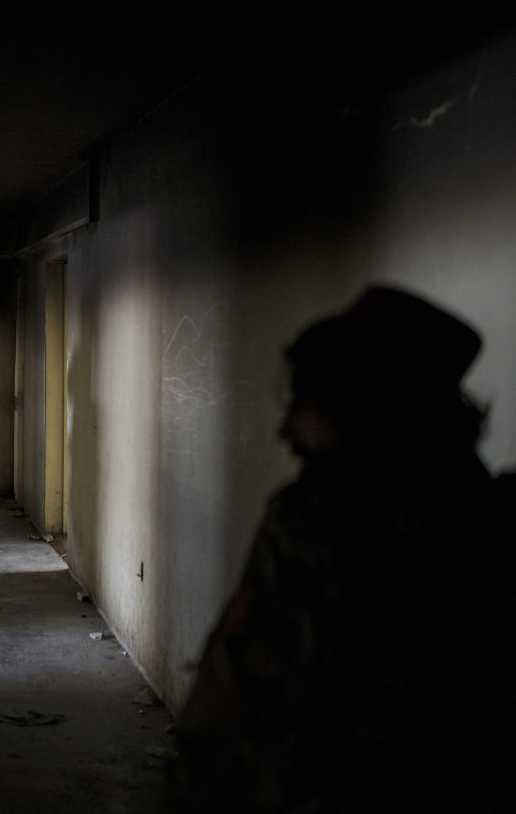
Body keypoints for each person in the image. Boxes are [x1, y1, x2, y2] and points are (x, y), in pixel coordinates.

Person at [170, 285, 512, 812]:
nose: (288, 430)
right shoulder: (487, 522)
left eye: (307, 402)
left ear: (365, 406)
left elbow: (233, 718)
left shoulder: (310, 526)